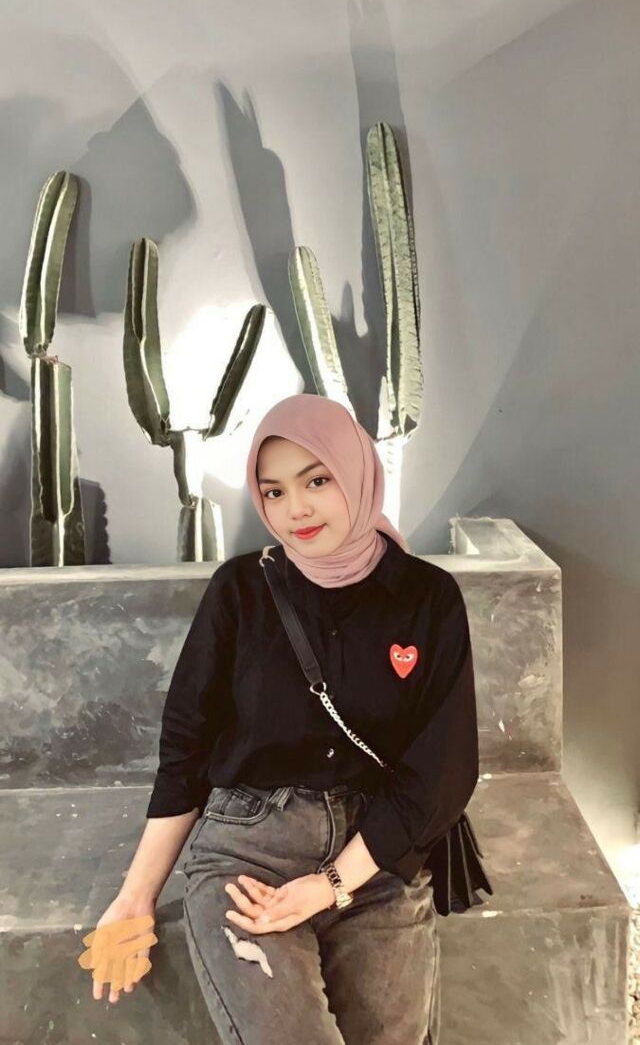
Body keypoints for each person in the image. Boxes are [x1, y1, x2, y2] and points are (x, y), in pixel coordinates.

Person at [91, 393, 492, 1043]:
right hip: (250, 851)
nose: (295, 509)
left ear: (357, 474)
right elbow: (187, 749)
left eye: (317, 481)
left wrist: (332, 883)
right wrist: (136, 895)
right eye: (273, 491)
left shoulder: (428, 599)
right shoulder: (240, 591)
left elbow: (442, 768)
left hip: (376, 860)